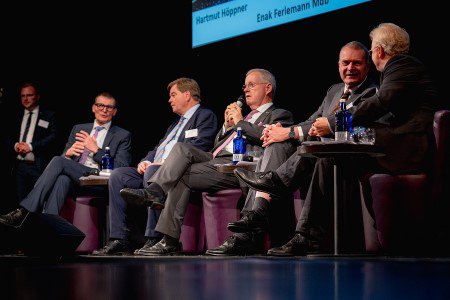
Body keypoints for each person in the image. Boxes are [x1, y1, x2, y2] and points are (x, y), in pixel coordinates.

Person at [234, 23, 441, 256]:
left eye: (368, 55)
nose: (369, 59)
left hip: (404, 151)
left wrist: (331, 124)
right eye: (345, 62)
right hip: (389, 145)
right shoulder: (369, 79)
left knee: (325, 151)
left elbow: (380, 104)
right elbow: (314, 121)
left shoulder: (400, 67)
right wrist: (292, 131)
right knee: (323, 154)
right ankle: (303, 234)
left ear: (379, 51)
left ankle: (280, 192)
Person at [206, 41, 378, 255]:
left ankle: (281, 213)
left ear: (367, 66)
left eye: (357, 63)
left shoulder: (372, 93)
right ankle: (256, 217)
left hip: (347, 156)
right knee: (279, 143)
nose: (350, 68)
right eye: (345, 63)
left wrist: (289, 131)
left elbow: (337, 124)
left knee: (302, 147)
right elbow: (312, 120)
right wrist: (284, 133)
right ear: (338, 65)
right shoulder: (334, 90)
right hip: (315, 155)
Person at [120, 68, 295, 255]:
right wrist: (227, 126)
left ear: (267, 88)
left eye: (251, 85)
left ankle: (171, 236)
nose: (246, 90)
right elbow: (219, 144)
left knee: (182, 174)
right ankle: (157, 199)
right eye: (244, 86)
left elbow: (266, 138)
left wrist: (239, 123)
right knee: (180, 149)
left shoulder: (280, 115)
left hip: (244, 167)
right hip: (217, 160)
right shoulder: (244, 118)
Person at [92, 77, 218, 256]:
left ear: (187, 95)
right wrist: (145, 160)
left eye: (173, 95)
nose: (169, 100)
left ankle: (155, 237)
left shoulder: (204, 116)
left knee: (153, 170)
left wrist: (162, 163)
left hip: (177, 172)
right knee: (118, 175)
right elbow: (158, 148)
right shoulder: (175, 124)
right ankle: (119, 238)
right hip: (154, 167)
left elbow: (199, 146)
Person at [0, 92, 132, 227]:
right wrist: (68, 154)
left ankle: (25, 210)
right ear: (93, 108)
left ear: (114, 111)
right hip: (75, 179)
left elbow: (121, 167)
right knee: (62, 179)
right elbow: (64, 161)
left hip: (98, 182)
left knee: (58, 161)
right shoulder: (79, 128)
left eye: (109, 107)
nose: (104, 110)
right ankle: (49, 230)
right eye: (100, 105)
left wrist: (96, 150)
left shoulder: (122, 135)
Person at [4, 83, 57, 204]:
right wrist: (15, 145)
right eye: (23, 96)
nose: (26, 99)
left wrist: (31, 146)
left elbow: (53, 137)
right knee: (20, 201)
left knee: (38, 201)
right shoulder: (14, 115)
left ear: (37, 96)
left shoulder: (49, 115)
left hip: (38, 165)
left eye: (29, 95)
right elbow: (6, 136)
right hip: (18, 166)